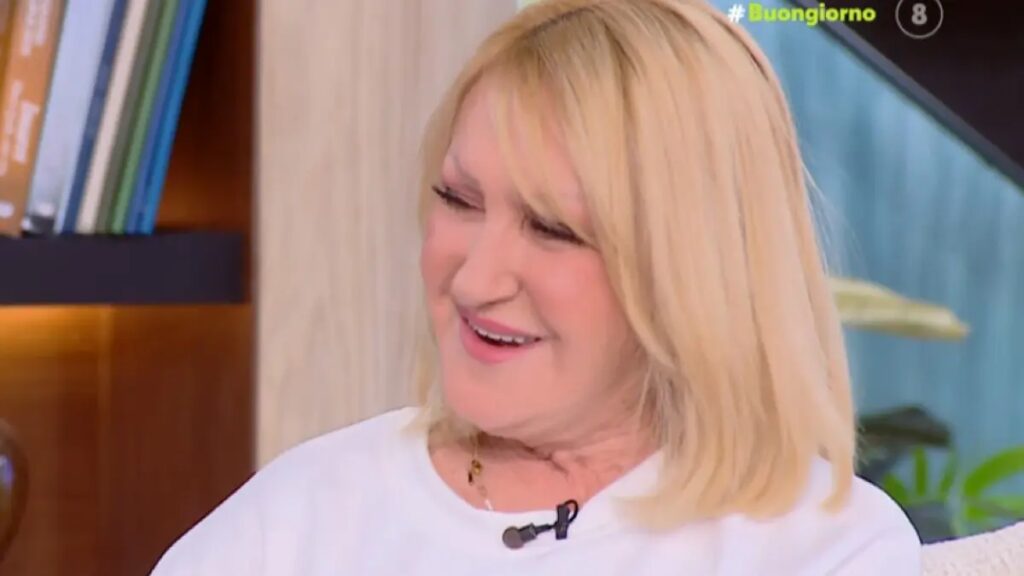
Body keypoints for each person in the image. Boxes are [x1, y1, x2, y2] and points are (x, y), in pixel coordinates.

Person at [150, 0, 922, 574]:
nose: (475, 279)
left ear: (692, 268)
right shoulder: (301, 516)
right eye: (458, 200)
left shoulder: (825, 549)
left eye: (552, 228)